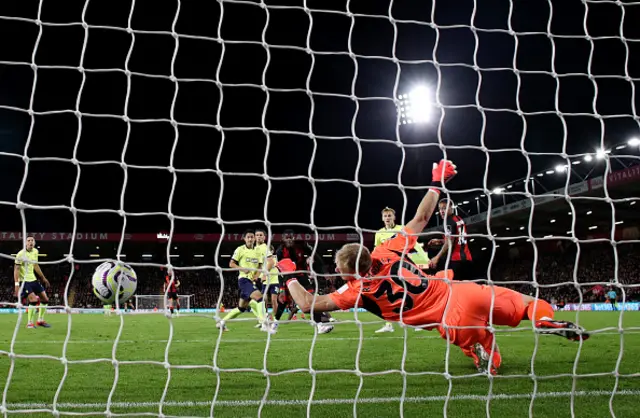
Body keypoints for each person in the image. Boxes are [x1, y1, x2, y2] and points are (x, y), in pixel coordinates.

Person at [281, 160, 589, 375]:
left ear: (351, 273)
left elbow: (308, 304)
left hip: (451, 320)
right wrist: (437, 183)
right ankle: (544, 320)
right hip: (464, 292)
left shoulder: (358, 290)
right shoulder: (387, 247)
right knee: (527, 304)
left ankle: (485, 351)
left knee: (478, 345)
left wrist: (287, 273)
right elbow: (421, 218)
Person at [374, 207, 431, 334]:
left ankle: (419, 322)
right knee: (388, 296)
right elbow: (377, 251)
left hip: (403, 266)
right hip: (388, 269)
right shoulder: (379, 233)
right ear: (382, 218)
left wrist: (424, 259)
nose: (387, 218)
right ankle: (389, 324)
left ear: (394, 217)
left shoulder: (401, 229)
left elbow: (413, 244)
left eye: (390, 216)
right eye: (385, 216)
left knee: (412, 293)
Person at [274, 230, 333, 334]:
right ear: (282, 239)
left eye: (291, 237)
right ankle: (275, 322)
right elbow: (280, 271)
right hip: (289, 277)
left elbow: (316, 256)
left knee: (312, 297)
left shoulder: (302, 245)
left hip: (302, 276)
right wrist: (282, 288)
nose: (289, 240)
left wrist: (325, 272)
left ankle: (320, 325)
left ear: (294, 238)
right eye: (286, 238)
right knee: (283, 301)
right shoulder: (280, 251)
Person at [218, 230, 268, 332]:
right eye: (248, 237)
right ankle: (264, 324)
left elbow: (260, 265)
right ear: (244, 239)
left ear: (254, 239)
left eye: (251, 237)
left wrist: (257, 276)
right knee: (260, 298)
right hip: (243, 280)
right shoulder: (240, 249)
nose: (250, 239)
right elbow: (231, 264)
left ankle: (222, 322)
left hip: (251, 281)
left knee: (241, 308)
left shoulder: (258, 251)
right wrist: (242, 268)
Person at [428, 198, 474, 280]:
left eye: (444, 208)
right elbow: (456, 239)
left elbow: (450, 242)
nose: (442, 211)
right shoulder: (459, 219)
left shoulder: (448, 222)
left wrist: (436, 258)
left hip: (456, 260)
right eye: (440, 209)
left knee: (451, 287)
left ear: (451, 208)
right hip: (467, 258)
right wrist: (440, 241)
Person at [14, 235, 51, 329]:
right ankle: (30, 323)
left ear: (34, 243)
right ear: (26, 243)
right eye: (28, 240)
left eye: (32, 240)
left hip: (33, 279)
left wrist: (43, 278)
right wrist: (17, 285)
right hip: (24, 281)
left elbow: (35, 265)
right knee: (33, 300)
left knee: (45, 299)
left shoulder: (35, 251)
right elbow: (16, 269)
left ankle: (40, 320)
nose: (30, 242)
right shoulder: (20, 254)